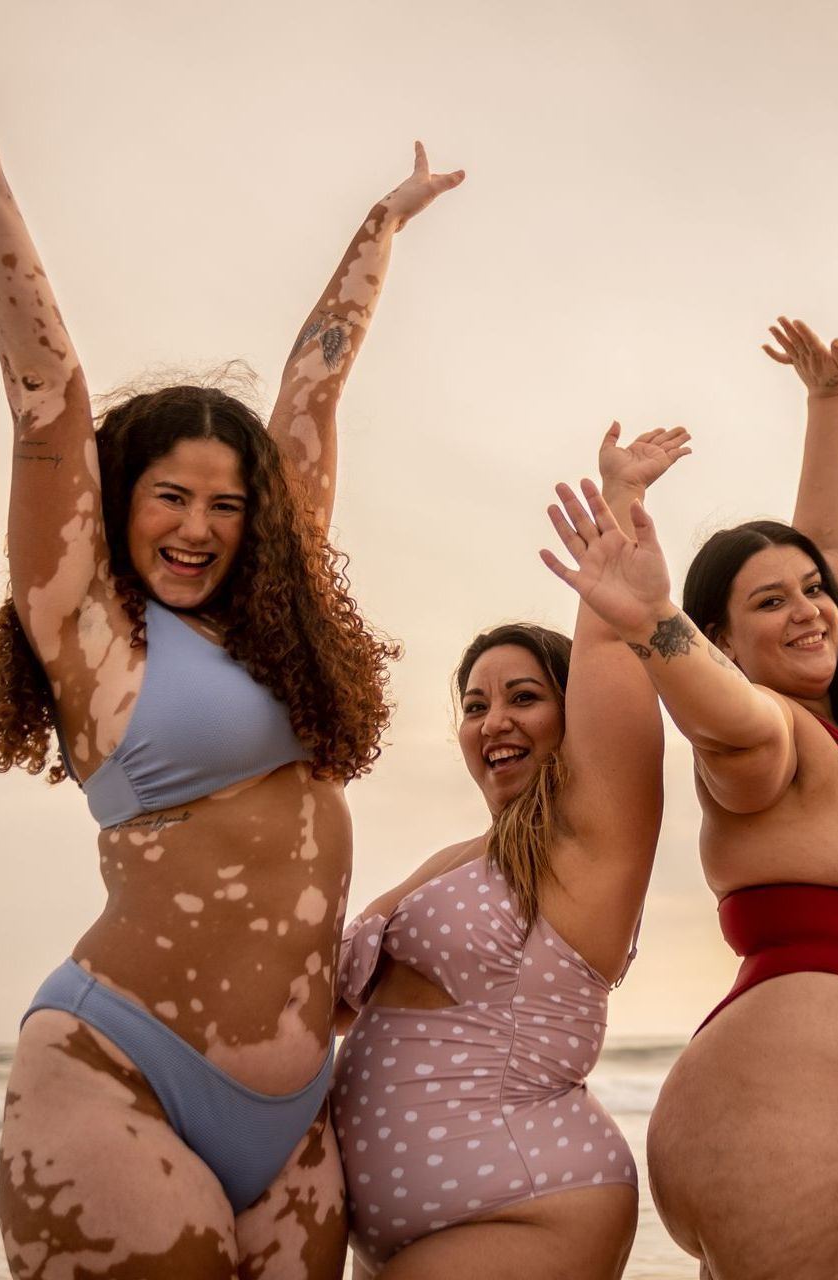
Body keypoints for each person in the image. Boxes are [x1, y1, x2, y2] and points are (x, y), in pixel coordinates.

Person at [0, 141, 462, 1279]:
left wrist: (381, 225)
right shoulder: (89, 631)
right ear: (116, 504)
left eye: (225, 502)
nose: (198, 526)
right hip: (120, 1073)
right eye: (168, 496)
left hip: (294, 1116)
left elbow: (314, 385)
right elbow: (49, 401)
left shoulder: (272, 632)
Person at [542, 319, 838, 1280]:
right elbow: (723, 718)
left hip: (794, 1118)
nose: (807, 608)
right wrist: (657, 623)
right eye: (767, 602)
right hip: (795, 1112)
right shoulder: (766, 741)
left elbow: (835, 552)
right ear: (724, 642)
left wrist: (828, 404)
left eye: (809, 590)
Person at [332, 423, 689, 1278]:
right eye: (474, 703)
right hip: (392, 1230)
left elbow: (609, 644)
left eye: (524, 696)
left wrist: (620, 501)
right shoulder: (454, 862)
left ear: (572, 719)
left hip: (529, 1203)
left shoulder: (590, 842)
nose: (493, 719)